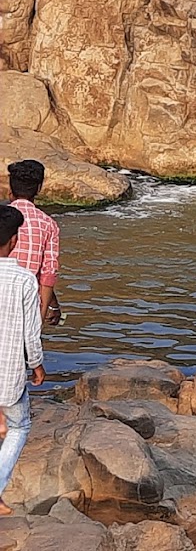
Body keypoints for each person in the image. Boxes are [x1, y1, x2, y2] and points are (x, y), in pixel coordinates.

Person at [0, 202, 44, 516]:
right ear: (14, 241)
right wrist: (37, 364)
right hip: (8, 373)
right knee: (19, 427)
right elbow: (31, 332)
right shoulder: (25, 280)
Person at [6, 161, 59, 328]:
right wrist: (42, 315)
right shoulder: (48, 224)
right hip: (27, 306)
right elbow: (47, 274)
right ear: (38, 188)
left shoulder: (4, 218)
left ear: (10, 188)